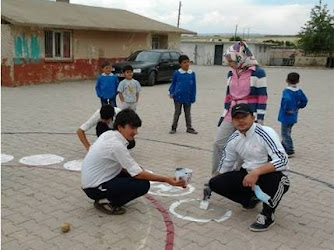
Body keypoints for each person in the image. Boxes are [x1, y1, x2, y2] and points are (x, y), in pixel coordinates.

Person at [81, 109, 186, 215]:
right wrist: (167, 179)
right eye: (132, 128)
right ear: (120, 127)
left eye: (136, 128)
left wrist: (136, 172)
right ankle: (107, 202)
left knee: (138, 172)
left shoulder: (109, 134)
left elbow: (132, 169)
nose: (136, 132)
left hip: (96, 179)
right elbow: (137, 174)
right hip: (94, 188)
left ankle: (110, 195)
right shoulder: (116, 145)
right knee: (142, 184)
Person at [209, 103, 290, 232]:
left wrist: (256, 172)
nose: (240, 121)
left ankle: (268, 215)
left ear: (252, 117)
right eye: (236, 118)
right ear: (233, 121)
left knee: (277, 181)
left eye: (244, 116)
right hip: (248, 174)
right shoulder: (234, 138)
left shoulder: (265, 132)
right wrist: (213, 184)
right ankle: (250, 199)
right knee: (214, 183)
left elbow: (283, 161)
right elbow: (226, 164)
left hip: (272, 174)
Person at [212, 41, 268, 175]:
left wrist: (259, 119)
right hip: (231, 113)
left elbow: (262, 97)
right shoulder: (231, 73)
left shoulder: (258, 73)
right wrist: (224, 114)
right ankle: (216, 176)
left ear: (240, 57)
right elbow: (228, 95)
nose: (229, 64)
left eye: (231, 60)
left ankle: (237, 176)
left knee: (244, 148)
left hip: (247, 115)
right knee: (218, 143)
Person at [278, 72, 308, 157]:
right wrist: (299, 106)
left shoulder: (287, 91)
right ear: (298, 81)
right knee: (288, 131)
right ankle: (283, 145)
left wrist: (288, 109)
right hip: (294, 115)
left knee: (285, 133)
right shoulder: (299, 91)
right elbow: (304, 100)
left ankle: (289, 150)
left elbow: (286, 100)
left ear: (286, 80)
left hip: (286, 116)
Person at [169, 55, 197, 134]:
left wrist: (193, 96)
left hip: (188, 97)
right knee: (177, 112)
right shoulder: (177, 73)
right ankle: (173, 128)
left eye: (188, 62)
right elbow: (173, 84)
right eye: (184, 62)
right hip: (178, 96)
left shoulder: (192, 74)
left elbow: (194, 86)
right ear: (180, 64)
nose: (187, 64)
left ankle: (189, 128)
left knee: (187, 113)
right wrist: (171, 92)